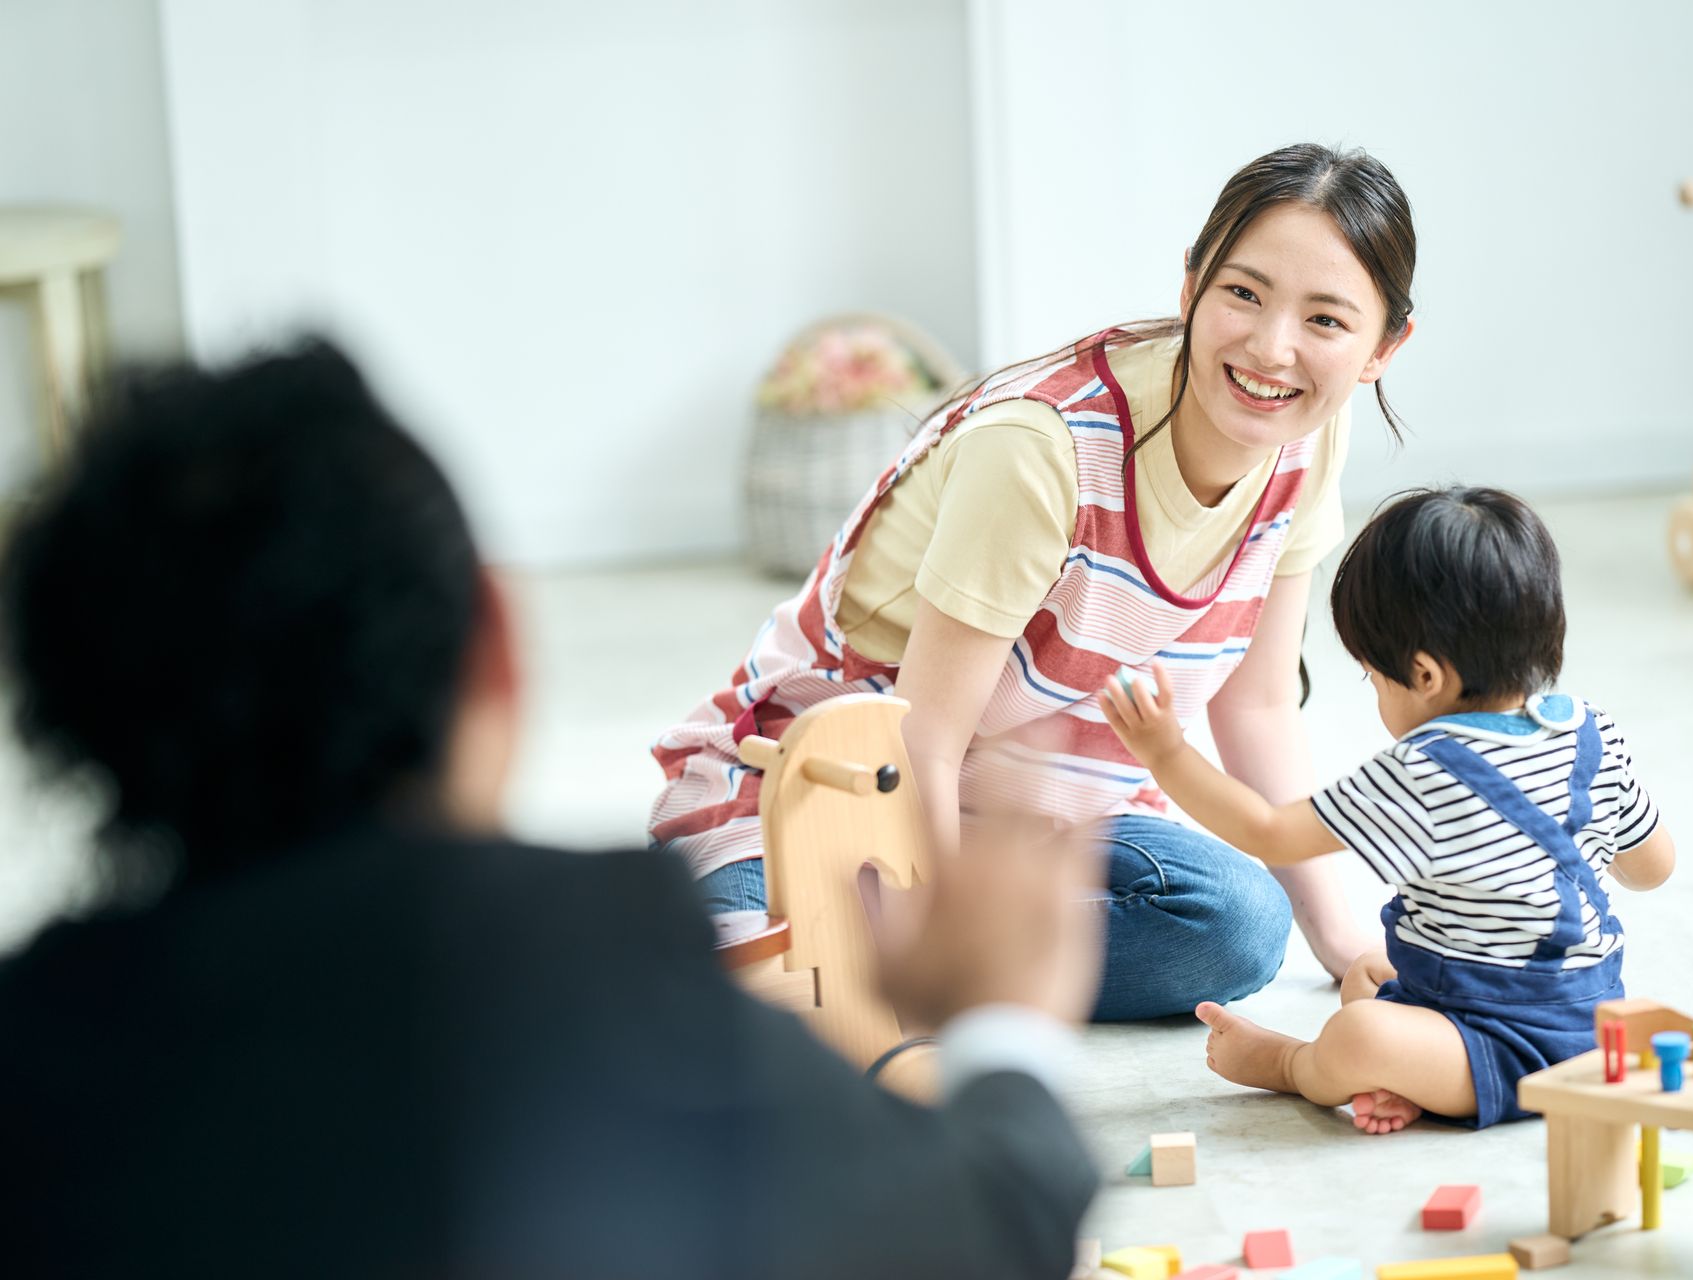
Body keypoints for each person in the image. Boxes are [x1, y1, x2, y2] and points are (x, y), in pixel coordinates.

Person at [0, 342, 1101, 1278]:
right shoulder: (599, 975)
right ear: (497, 649)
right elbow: (984, 1224)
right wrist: (1002, 1019)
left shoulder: (38, 1053)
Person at [653, 142, 1418, 1018]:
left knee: (1236, 925)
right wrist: (954, 973)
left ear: (1382, 348)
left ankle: (850, 952)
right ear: (1191, 285)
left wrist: (1343, 940)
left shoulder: (1310, 433)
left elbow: (1257, 706)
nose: (1273, 348)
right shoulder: (1042, 450)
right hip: (836, 784)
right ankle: (807, 938)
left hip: (1038, 804)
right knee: (734, 971)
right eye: (1242, 293)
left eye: (1326, 321)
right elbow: (924, 746)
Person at [1099, 487, 1677, 1132]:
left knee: (1360, 1032)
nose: (1375, 692)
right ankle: (1412, 1084)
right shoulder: (1590, 730)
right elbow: (1653, 867)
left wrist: (1166, 750)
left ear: (1425, 676)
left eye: (1374, 676)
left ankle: (1290, 1065)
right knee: (1371, 970)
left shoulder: (1425, 770)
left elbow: (1268, 829)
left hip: (1516, 1053)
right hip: (1590, 1016)